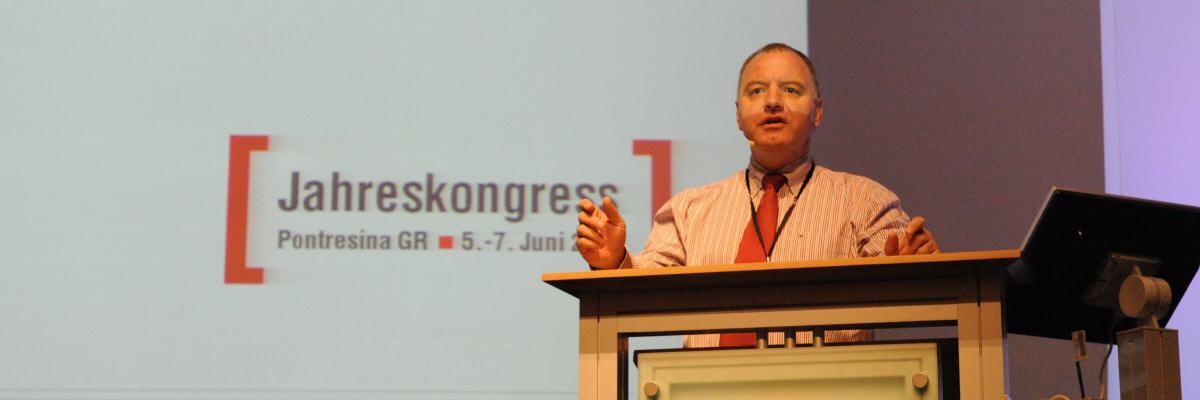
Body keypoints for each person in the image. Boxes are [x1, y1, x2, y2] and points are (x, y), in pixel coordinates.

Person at [574, 43, 939, 347]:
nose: (773, 102)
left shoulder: (865, 201)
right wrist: (615, 262)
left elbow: (908, 282)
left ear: (818, 111)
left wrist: (914, 270)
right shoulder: (689, 209)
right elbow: (644, 294)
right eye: (756, 91)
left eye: (791, 90)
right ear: (738, 115)